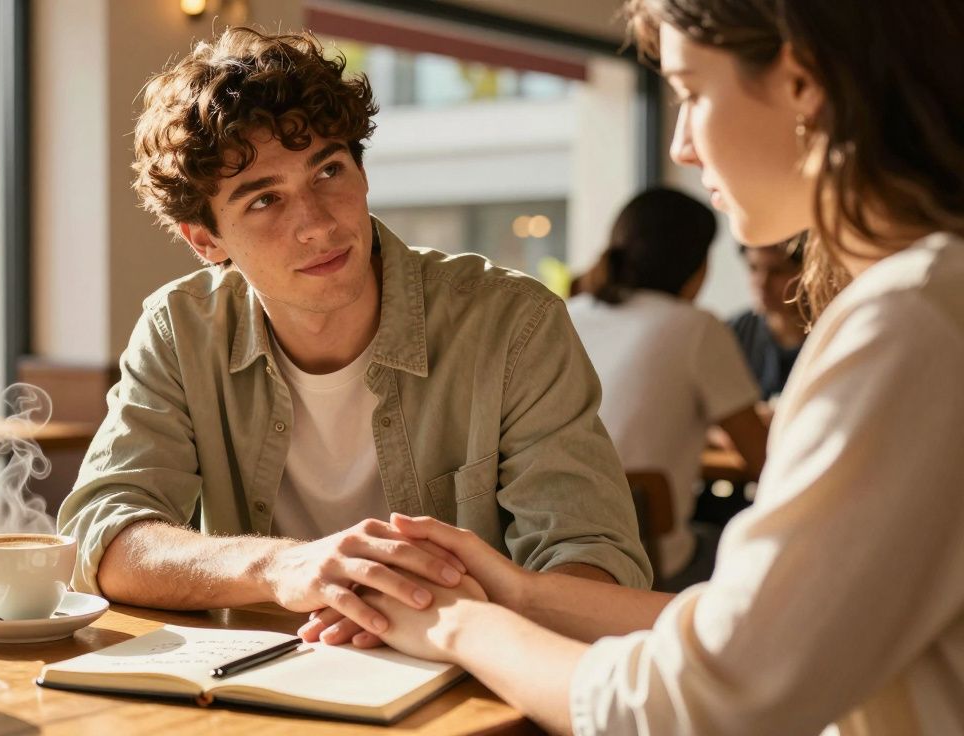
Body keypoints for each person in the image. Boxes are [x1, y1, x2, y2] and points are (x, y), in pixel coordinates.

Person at [303, 1, 964, 732]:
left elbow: (703, 705)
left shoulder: (913, 320)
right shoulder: (928, 302)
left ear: (803, 84)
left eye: (691, 92)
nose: (681, 145)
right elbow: (759, 638)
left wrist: (456, 625)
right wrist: (516, 593)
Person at [58, 27, 651, 647]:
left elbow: (596, 559)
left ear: (362, 173)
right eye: (264, 201)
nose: (317, 223)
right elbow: (104, 535)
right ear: (206, 240)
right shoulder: (180, 330)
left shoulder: (512, 323)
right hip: (256, 676)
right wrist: (282, 567)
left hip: (461, 670)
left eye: (328, 170)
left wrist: (449, 616)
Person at [567, 187, 766, 590]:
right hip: (649, 564)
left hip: (554, 558)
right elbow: (765, 460)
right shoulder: (696, 327)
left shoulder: (567, 315)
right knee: (750, 553)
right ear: (697, 264)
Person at [726, 233, 807, 401]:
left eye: (776, 272)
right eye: (753, 268)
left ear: (805, 273)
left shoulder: (832, 331)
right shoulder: (733, 333)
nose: (762, 283)